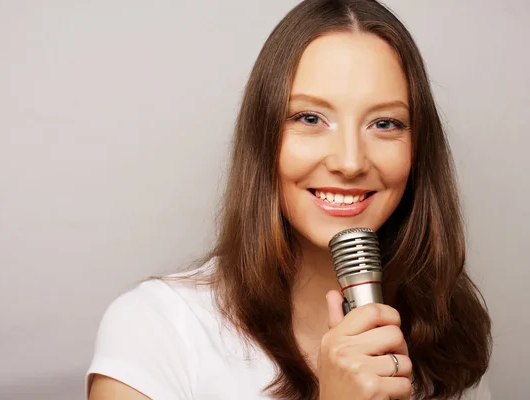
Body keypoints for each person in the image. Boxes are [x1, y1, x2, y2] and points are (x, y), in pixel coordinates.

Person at [86, 0, 492, 399]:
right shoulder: (155, 328)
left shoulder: (447, 333)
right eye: (310, 118)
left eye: (384, 123)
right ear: (263, 137)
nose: (350, 162)